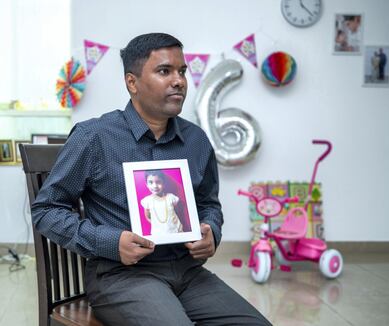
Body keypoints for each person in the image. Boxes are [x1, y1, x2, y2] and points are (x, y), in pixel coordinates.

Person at [31, 33, 271, 325]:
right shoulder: (93, 137)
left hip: (187, 272)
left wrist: (212, 231)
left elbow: (208, 203)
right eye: (164, 71)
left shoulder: (196, 141)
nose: (179, 81)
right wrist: (109, 241)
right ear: (132, 83)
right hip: (121, 275)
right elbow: (46, 211)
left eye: (182, 71)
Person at [141, 170, 183, 234]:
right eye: (151, 182)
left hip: (176, 231)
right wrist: (158, 224)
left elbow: (175, 211)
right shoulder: (147, 201)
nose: (155, 186)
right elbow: (148, 217)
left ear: (163, 183)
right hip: (159, 234)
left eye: (158, 182)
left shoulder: (171, 197)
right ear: (146, 184)